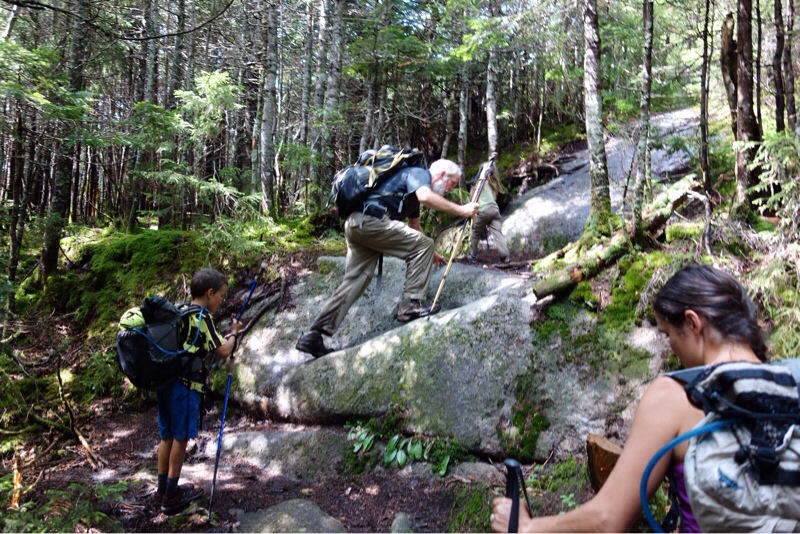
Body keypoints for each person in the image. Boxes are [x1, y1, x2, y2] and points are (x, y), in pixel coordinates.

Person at [490, 263, 767, 533]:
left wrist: (528, 528)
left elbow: (607, 520)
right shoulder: (786, 383)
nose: (671, 349)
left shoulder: (676, 396)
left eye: (668, 335)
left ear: (693, 323)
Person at [295, 159, 480, 358]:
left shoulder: (411, 192)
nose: (450, 189)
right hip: (370, 221)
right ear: (442, 174)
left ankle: (314, 334)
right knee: (424, 244)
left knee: (355, 281)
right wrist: (462, 210)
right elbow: (426, 197)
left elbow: (414, 227)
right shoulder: (419, 174)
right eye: (452, 183)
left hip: (356, 224)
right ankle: (410, 304)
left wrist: (431, 253)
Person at [154, 268, 242, 514]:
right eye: (221, 295)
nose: (221, 300)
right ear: (209, 293)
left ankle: (161, 489)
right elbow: (223, 351)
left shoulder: (180, 311)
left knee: (167, 436)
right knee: (180, 437)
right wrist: (234, 333)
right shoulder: (202, 318)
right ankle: (172, 495)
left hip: (165, 383)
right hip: (185, 387)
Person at [467, 166, 509, 263]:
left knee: (475, 233)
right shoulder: (491, 184)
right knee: (498, 233)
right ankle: (505, 256)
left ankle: (472, 255)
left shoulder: (478, 184)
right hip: (495, 210)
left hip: (484, 210)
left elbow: (472, 200)